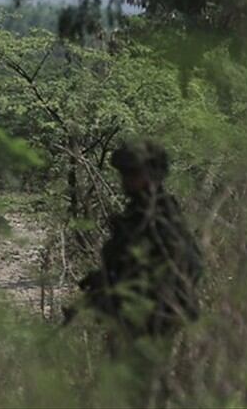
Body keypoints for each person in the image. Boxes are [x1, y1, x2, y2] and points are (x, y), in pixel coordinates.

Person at [78, 140, 202, 343]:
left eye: (133, 174)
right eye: (124, 174)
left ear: (154, 175)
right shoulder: (136, 214)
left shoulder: (159, 218)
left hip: (149, 324)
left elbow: (183, 266)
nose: (126, 180)